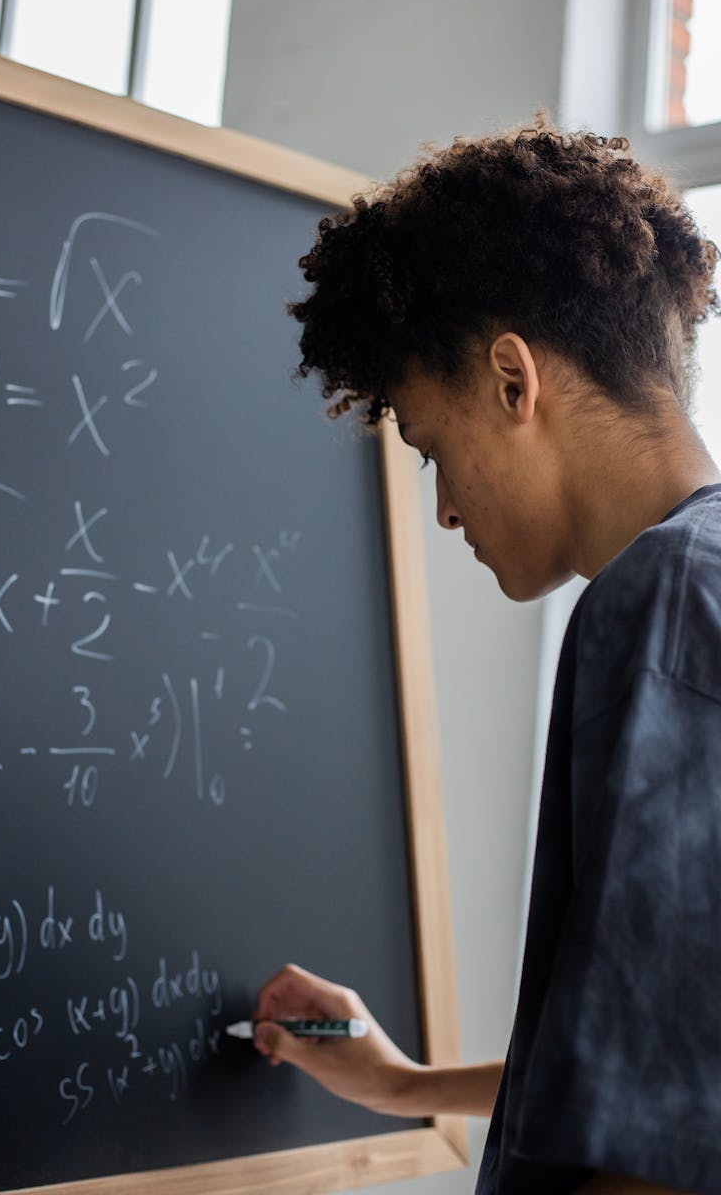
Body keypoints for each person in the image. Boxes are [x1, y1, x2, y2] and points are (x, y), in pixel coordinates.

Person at [251, 111, 721, 1195]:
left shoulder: (658, 602)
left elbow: (652, 1148)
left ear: (513, 382)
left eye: (428, 446)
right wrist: (404, 1086)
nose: (445, 509)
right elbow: (676, 1056)